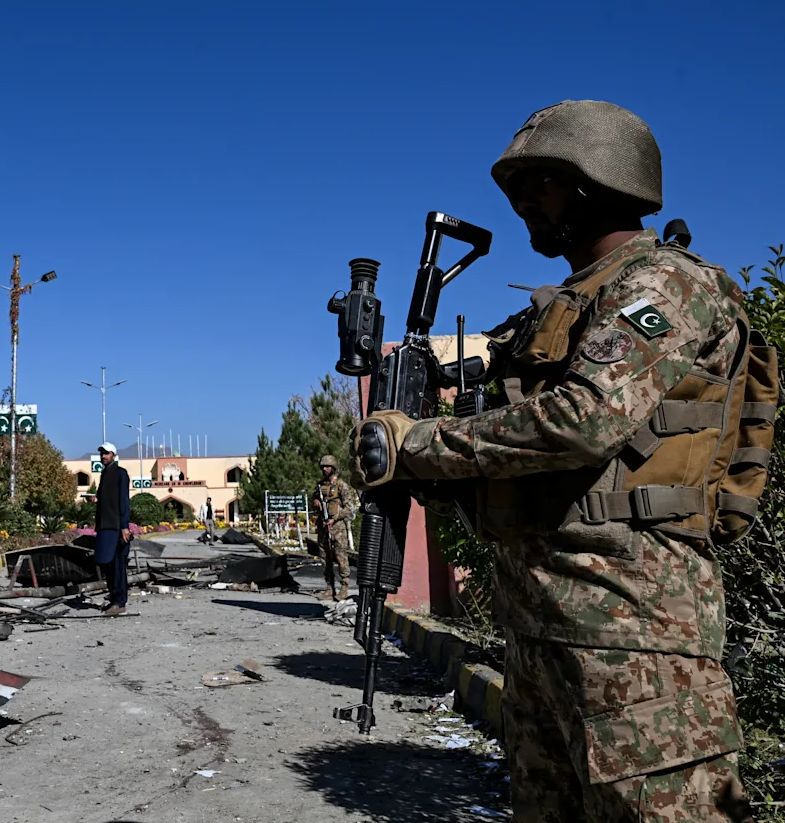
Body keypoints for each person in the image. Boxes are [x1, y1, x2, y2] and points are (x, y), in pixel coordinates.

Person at [349, 100, 759, 822]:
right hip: (540, 627)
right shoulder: (560, 306)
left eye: (539, 182)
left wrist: (417, 445)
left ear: (600, 182)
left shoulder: (663, 285)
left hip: (634, 637)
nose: (522, 203)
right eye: (517, 188)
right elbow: (520, 456)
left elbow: (583, 421)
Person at [93, 442, 132, 616]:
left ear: (113, 455)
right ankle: (114, 597)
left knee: (117, 565)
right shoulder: (104, 474)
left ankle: (120, 602)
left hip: (116, 527)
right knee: (106, 563)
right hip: (104, 526)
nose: (103, 456)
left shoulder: (120, 473)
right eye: (102, 453)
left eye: (106, 453)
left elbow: (123, 501)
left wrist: (124, 526)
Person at [311, 454, 355, 601]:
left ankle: (344, 588)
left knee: (341, 558)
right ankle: (330, 588)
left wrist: (334, 518)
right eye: (323, 466)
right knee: (325, 558)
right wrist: (316, 502)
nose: (324, 469)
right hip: (323, 527)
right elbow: (314, 499)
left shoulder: (341, 486)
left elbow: (349, 508)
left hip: (338, 528)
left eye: (327, 466)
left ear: (333, 468)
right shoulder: (320, 486)